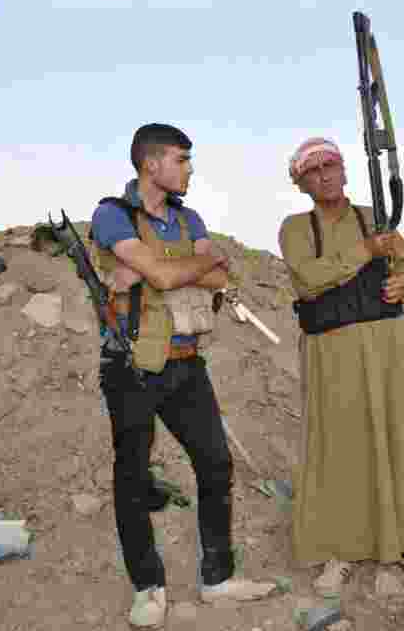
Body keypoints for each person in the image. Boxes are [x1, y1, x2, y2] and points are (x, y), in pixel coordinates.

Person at [90, 123, 276, 628]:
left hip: (186, 362)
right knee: (132, 478)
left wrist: (161, 269)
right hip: (131, 367)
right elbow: (187, 273)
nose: (189, 168)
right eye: (182, 158)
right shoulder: (111, 215)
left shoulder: (187, 215)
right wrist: (183, 267)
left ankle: (217, 577)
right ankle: (147, 587)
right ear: (152, 164)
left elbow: (219, 275)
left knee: (216, 465)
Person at [278, 137, 404, 608]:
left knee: (397, 440)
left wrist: (399, 282)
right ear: (300, 182)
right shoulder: (295, 227)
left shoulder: (378, 220)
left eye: (331, 165)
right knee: (342, 446)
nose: (325, 175)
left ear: (345, 170)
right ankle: (342, 550)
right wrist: (366, 252)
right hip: (333, 350)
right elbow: (308, 278)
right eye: (313, 170)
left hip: (387, 346)